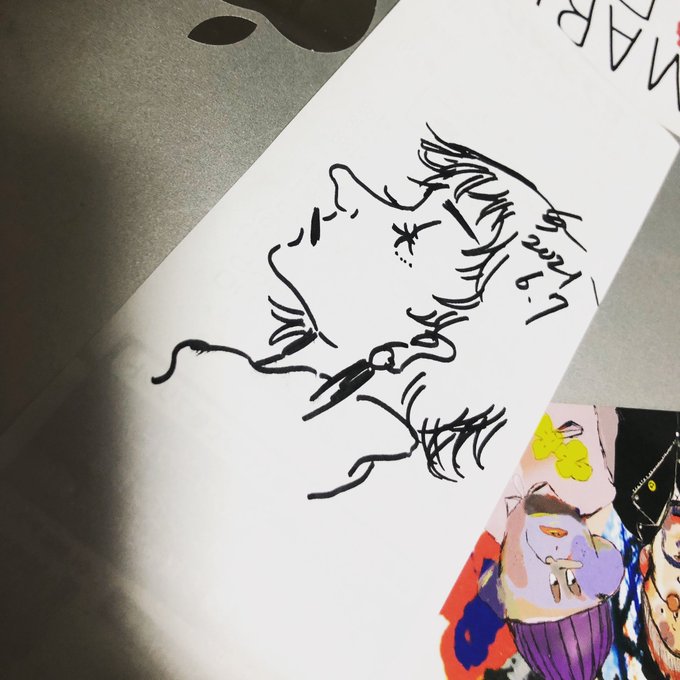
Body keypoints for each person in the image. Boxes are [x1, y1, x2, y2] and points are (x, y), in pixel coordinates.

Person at [153, 128, 595, 498]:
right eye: (406, 204)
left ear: (420, 346)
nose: (346, 186)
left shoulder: (320, 455)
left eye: (408, 235)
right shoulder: (222, 368)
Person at [479, 484, 624, 680]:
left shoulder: (486, 515)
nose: (553, 559)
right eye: (571, 580)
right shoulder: (597, 487)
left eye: (546, 586)